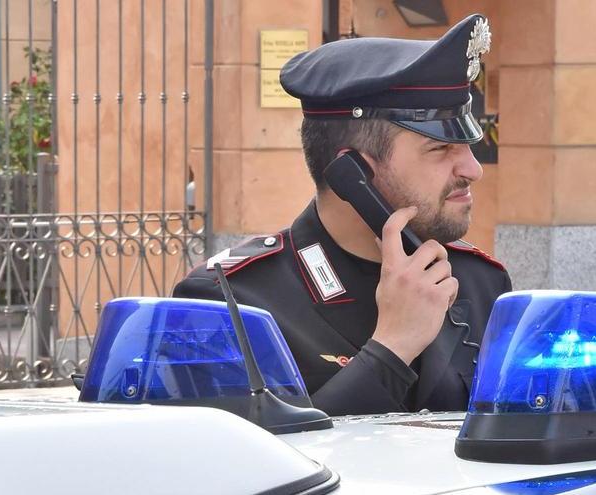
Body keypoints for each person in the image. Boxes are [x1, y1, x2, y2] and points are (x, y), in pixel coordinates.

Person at [173, 14, 511, 416]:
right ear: (352, 173)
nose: (473, 169)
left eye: (468, 146)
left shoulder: (480, 281)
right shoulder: (231, 301)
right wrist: (391, 348)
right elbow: (249, 468)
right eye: (440, 149)